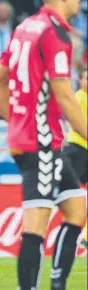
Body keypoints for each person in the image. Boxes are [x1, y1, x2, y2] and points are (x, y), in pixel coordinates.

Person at [0, 0, 86, 290]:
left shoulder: (24, 27)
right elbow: (64, 95)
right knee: (36, 223)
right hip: (42, 141)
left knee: (76, 210)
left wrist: (16, 121)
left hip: (33, 137)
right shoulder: (54, 34)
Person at [63, 67, 87, 249]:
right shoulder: (78, 97)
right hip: (76, 149)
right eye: (85, 78)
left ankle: (85, 238)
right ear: (80, 80)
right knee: (66, 194)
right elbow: (77, 125)